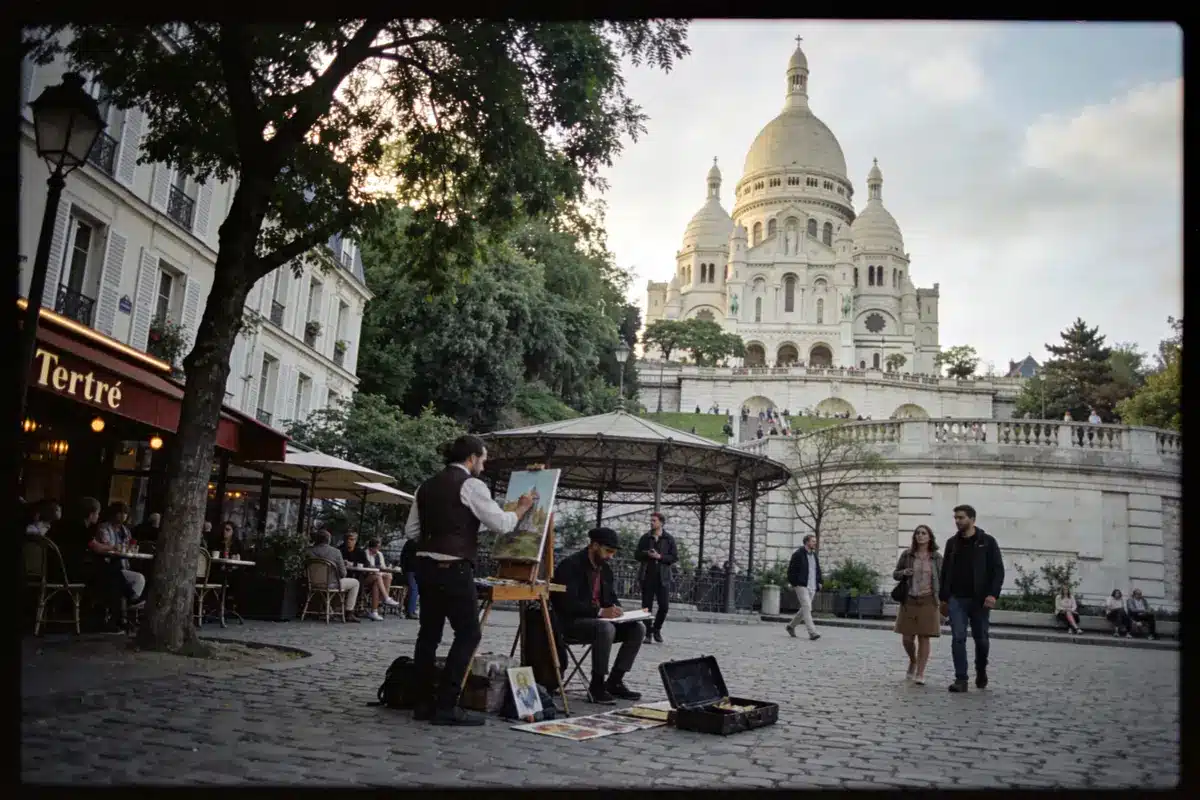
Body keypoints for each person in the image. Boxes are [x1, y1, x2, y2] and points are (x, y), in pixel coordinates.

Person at [403, 434, 534, 726]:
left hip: (425, 567)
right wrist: (522, 508)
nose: (484, 466)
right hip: (454, 569)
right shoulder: (471, 484)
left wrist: (456, 530)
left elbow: (412, 531)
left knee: (429, 634)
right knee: (468, 634)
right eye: (483, 460)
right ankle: (446, 704)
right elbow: (501, 523)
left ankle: (422, 702)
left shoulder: (425, 486)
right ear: (472, 458)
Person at [551, 527, 644, 704]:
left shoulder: (605, 569)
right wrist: (600, 612)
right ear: (594, 545)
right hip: (571, 623)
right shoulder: (570, 565)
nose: (610, 556)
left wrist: (617, 609)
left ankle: (615, 682)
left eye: (613, 552)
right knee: (605, 627)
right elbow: (566, 603)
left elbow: (611, 598)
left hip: (597, 623)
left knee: (637, 628)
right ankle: (597, 685)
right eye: (608, 551)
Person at [939, 504, 1005, 693]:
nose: (958, 521)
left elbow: (997, 570)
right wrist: (944, 598)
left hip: (980, 599)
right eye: (956, 518)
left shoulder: (987, 542)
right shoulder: (952, 543)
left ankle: (981, 669)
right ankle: (961, 679)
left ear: (972, 519)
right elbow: (945, 572)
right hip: (956, 599)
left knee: (981, 639)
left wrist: (993, 594)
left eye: (961, 517)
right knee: (958, 638)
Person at [892, 525, 944, 685]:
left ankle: (920, 673)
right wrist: (903, 573)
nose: (920, 536)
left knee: (924, 637)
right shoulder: (907, 555)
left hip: (928, 600)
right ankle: (913, 661)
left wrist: (943, 602)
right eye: (917, 534)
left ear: (930, 537)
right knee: (907, 638)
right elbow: (895, 574)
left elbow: (943, 579)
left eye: (924, 533)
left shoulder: (936, 557)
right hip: (909, 599)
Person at [634, 511, 677, 643]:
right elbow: (636, 555)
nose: (652, 523)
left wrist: (660, 557)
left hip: (663, 577)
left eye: (654, 521)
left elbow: (674, 557)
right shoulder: (645, 538)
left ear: (661, 523)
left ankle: (656, 629)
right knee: (646, 606)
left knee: (664, 606)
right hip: (647, 576)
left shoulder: (669, 539)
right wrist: (647, 554)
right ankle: (647, 633)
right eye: (651, 521)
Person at [308, 530, 361, 623]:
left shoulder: (308, 551)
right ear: (329, 540)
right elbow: (343, 573)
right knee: (355, 583)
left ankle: (330, 609)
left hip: (313, 583)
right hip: (331, 584)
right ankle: (349, 611)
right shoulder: (335, 552)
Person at [785, 534, 822, 641]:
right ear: (807, 542)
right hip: (801, 585)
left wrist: (819, 581)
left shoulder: (814, 555)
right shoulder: (798, 554)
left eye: (815, 541)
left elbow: (817, 570)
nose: (815, 543)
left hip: (812, 586)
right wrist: (795, 583)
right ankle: (812, 632)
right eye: (813, 541)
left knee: (805, 609)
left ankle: (791, 626)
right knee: (807, 607)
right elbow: (791, 571)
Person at [399, 535, 419, 620]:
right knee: (414, 589)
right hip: (413, 568)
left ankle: (409, 610)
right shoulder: (416, 543)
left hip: (410, 569)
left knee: (413, 589)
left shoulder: (410, 542)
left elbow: (403, 556)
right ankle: (410, 611)